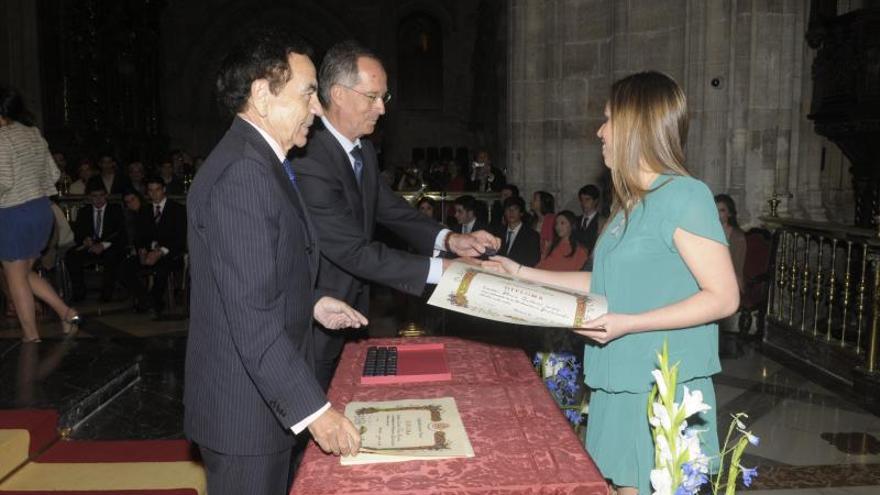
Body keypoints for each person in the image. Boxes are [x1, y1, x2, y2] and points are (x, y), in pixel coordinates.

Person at [483, 71, 739, 495]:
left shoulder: (685, 195)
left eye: (608, 120)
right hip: (620, 377)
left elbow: (724, 296)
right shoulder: (628, 206)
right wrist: (520, 272)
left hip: (660, 381)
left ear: (636, 125)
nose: (599, 132)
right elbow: (601, 281)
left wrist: (626, 323)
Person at [184, 30, 367, 495]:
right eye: (308, 94)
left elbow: (253, 275)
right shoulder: (244, 173)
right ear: (262, 95)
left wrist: (310, 302)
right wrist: (316, 413)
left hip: (259, 402)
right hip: (245, 414)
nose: (318, 109)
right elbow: (251, 316)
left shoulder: (260, 160)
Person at [295, 40, 498, 389]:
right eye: (372, 97)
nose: (381, 109)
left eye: (383, 98)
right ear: (339, 94)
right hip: (316, 316)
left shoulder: (363, 150)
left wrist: (451, 239)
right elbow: (353, 251)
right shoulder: (311, 158)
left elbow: (390, 209)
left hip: (354, 310)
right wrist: (444, 270)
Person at [0, 85, 81, 342]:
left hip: (14, 213)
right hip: (40, 211)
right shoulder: (33, 133)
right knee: (23, 274)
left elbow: (3, 180)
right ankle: (66, 312)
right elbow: (54, 174)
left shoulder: (2, 137)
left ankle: (31, 338)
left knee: (15, 278)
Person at [119, 176, 186, 317]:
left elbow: (180, 239)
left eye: (157, 190)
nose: (154, 194)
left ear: (164, 190)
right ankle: (147, 300)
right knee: (125, 267)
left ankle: (154, 301)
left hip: (170, 253)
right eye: (150, 191)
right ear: (147, 193)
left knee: (162, 268)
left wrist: (160, 252)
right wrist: (142, 250)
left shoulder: (177, 209)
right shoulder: (145, 210)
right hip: (149, 252)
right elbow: (139, 237)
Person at [66, 181, 126, 302]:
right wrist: (85, 240)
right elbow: (78, 233)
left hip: (109, 246)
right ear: (89, 197)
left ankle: (106, 294)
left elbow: (120, 233)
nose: (98, 199)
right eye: (94, 196)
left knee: (112, 255)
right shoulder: (84, 212)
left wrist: (102, 245)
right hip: (90, 245)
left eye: (101, 195)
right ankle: (79, 293)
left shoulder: (115, 210)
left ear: (106, 196)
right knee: (71, 255)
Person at [715, 193, 746, 333]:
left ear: (730, 214)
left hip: (731, 282)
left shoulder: (737, 237)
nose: (718, 214)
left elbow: (737, 269)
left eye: (722, 210)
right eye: (715, 210)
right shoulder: (709, 233)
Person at [495, 196, 540, 268]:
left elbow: (533, 260)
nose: (511, 212)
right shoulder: (497, 232)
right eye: (508, 209)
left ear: (521, 213)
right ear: (504, 212)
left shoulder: (532, 235)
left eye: (515, 209)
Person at [573, 184, 604, 256]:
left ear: (596, 201)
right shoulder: (575, 221)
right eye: (581, 200)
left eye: (587, 199)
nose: (584, 203)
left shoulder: (601, 221)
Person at [531, 190, 556, 256]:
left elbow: (550, 241)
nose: (531, 202)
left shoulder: (551, 219)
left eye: (535, 199)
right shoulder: (533, 221)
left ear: (543, 202)